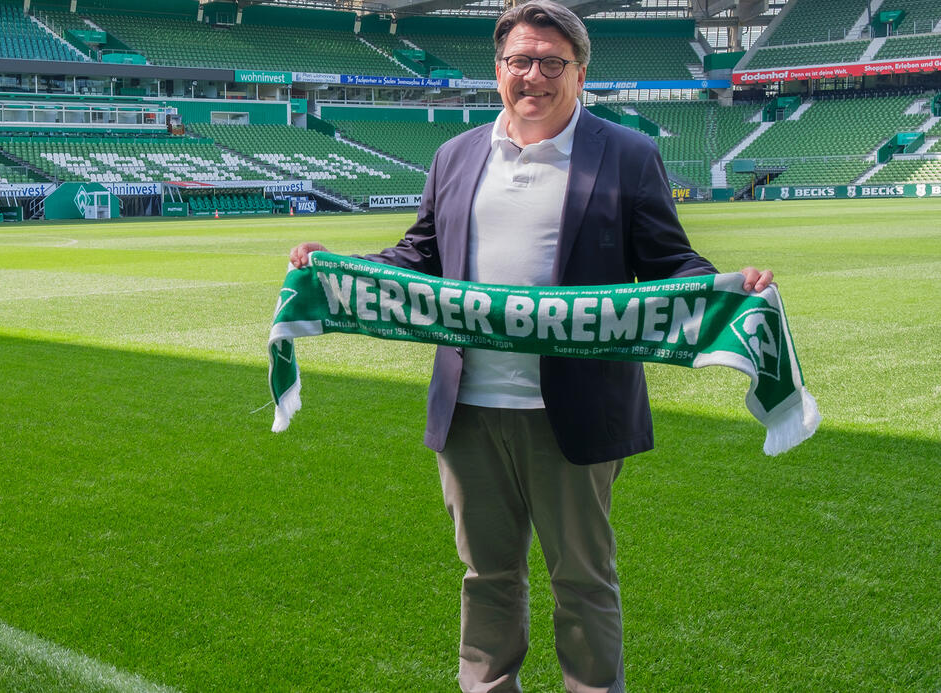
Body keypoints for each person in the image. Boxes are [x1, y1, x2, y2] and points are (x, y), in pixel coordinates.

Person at [289, 2, 773, 691]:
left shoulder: (626, 154)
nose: (533, 76)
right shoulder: (455, 154)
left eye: (552, 62)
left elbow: (669, 262)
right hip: (468, 407)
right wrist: (340, 266)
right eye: (520, 61)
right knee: (485, 576)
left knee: (582, 579)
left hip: (574, 409)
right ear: (498, 71)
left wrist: (731, 288)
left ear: (580, 73)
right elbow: (419, 254)